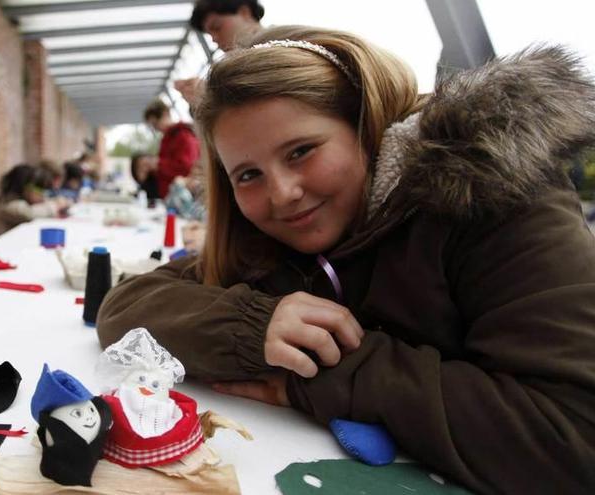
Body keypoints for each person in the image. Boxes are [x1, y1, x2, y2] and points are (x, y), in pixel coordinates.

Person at [97, 26, 595, 494]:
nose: (283, 194)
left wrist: (314, 373)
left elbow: (574, 439)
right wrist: (254, 328)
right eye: (247, 175)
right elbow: (126, 306)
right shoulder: (270, 238)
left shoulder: (498, 194)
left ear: (366, 123)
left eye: (301, 151)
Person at [175, 0, 265, 107]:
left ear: (244, 12)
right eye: (209, 34)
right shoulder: (238, 69)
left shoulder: (284, 47)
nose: (213, 39)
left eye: (217, 27)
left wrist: (211, 98)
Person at [143, 99, 200, 199]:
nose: (156, 128)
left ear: (165, 114)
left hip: (181, 197)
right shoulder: (168, 138)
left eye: (156, 123)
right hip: (171, 196)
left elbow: (186, 167)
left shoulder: (182, 135)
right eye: (152, 126)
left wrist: (158, 164)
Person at [0, 163, 70, 232]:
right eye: (38, 189)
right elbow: (30, 213)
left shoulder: (25, 202)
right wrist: (56, 205)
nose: (42, 194)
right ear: (23, 187)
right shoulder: (10, 205)